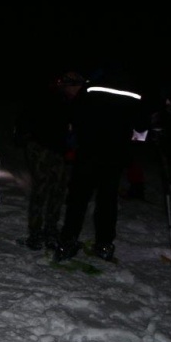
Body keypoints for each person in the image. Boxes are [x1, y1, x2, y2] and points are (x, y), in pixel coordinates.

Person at [53, 64, 148, 263]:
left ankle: (68, 240)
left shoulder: (91, 88)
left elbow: (75, 114)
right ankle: (104, 243)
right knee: (107, 200)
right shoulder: (134, 93)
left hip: (89, 151)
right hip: (115, 154)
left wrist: (79, 136)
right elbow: (141, 127)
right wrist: (132, 140)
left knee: (79, 198)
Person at [15, 71, 83, 250]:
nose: (78, 90)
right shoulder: (49, 97)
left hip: (60, 151)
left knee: (58, 191)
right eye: (76, 86)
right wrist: (24, 136)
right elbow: (28, 118)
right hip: (41, 147)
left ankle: (51, 230)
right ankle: (35, 233)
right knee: (41, 189)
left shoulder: (75, 102)